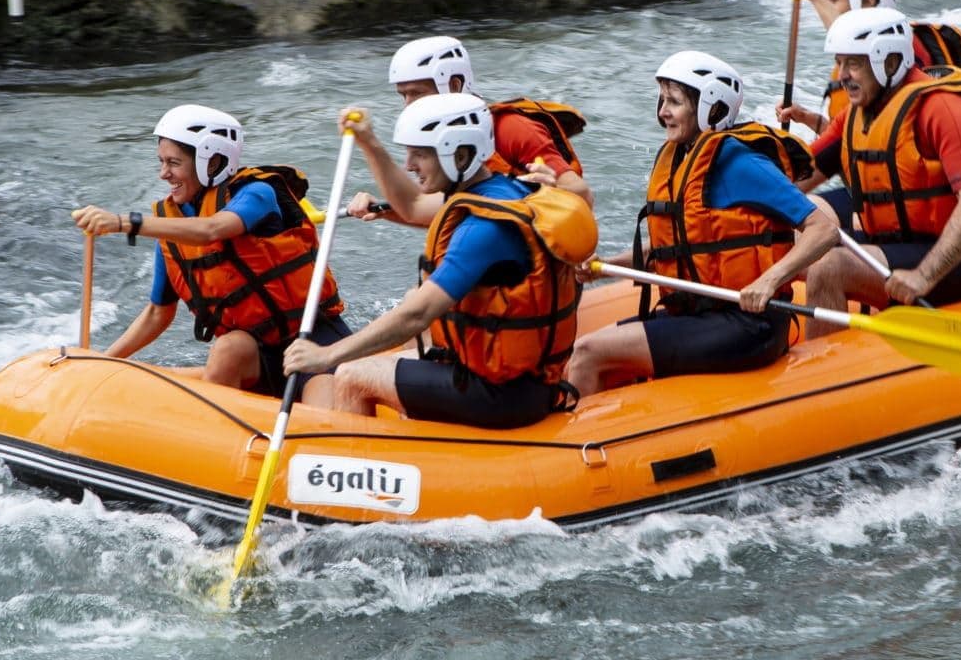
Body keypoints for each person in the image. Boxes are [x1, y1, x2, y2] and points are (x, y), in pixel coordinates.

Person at [285, 93, 597, 428]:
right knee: (389, 354)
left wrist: (326, 355)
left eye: (420, 154)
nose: (409, 164)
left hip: (500, 395)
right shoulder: (499, 190)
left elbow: (417, 315)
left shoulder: (484, 229)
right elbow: (412, 205)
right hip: (513, 379)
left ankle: (353, 474)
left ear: (459, 154)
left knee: (350, 374)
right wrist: (369, 142)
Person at [567, 52, 838, 398]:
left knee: (588, 353)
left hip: (749, 325)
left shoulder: (741, 162)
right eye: (662, 99)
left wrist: (769, 280)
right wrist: (606, 268)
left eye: (675, 102)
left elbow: (822, 229)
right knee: (592, 356)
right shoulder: (680, 157)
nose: (663, 110)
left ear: (711, 108)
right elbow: (680, 248)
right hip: (702, 316)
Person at [71, 104, 351, 394]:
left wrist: (123, 222)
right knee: (229, 346)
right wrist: (102, 362)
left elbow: (212, 229)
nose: (163, 174)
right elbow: (158, 313)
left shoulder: (257, 193)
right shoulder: (173, 225)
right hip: (257, 356)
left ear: (213, 161)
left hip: (315, 341)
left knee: (325, 412)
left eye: (173, 163)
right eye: (161, 162)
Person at [800, 10, 961, 334]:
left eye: (854, 64)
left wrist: (923, 276)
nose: (842, 75)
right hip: (900, 246)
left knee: (829, 267)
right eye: (840, 63)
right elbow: (798, 176)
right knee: (791, 242)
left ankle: (822, 376)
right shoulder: (855, 115)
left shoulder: (944, 109)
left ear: (889, 62)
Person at [347, 35, 594, 226]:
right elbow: (436, 207)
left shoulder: (510, 128)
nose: (409, 105)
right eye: (403, 95)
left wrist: (533, 193)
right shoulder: (441, 138)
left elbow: (582, 194)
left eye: (417, 93)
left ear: (454, 84)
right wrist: (386, 209)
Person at [778, 0, 961, 137]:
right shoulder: (853, 65)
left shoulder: (901, 47)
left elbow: (848, 35)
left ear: (869, 1)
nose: (824, 7)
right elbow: (850, 141)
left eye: (833, 0)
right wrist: (806, 117)